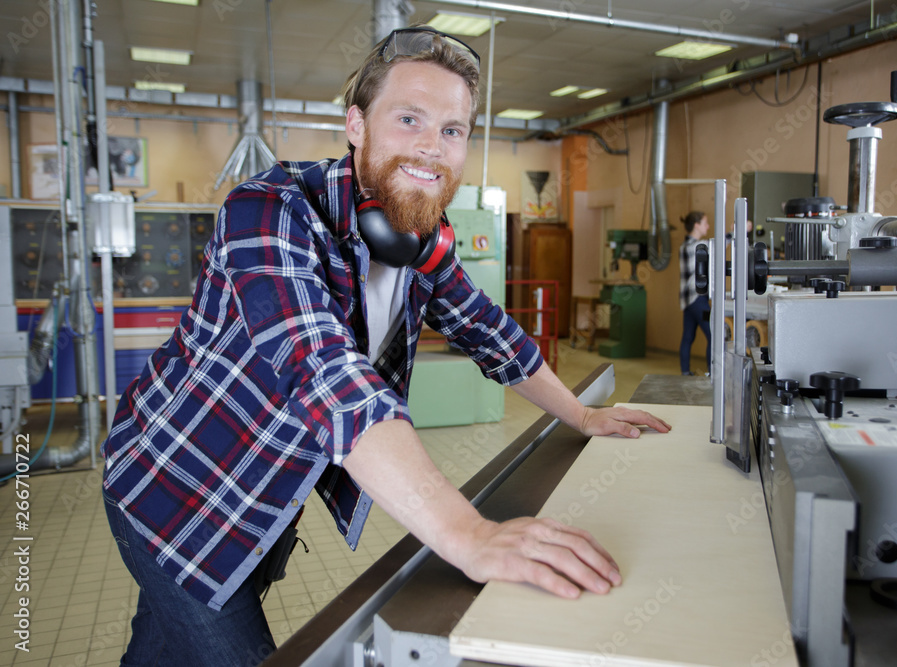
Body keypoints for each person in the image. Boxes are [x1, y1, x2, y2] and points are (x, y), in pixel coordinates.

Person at [101, 26, 671, 666]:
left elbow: (490, 330)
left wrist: (583, 413)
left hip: (257, 505)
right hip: (176, 493)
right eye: (409, 119)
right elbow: (325, 373)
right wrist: (468, 533)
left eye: (453, 130)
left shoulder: (418, 236)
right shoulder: (267, 211)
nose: (433, 148)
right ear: (356, 125)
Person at [678, 211, 712, 376]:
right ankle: (712, 373)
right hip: (698, 301)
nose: (708, 226)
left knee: (688, 337)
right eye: (705, 223)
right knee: (713, 334)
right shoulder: (695, 247)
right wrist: (733, 233)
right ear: (697, 225)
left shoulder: (684, 246)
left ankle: (685, 372)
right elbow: (717, 245)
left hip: (688, 302)